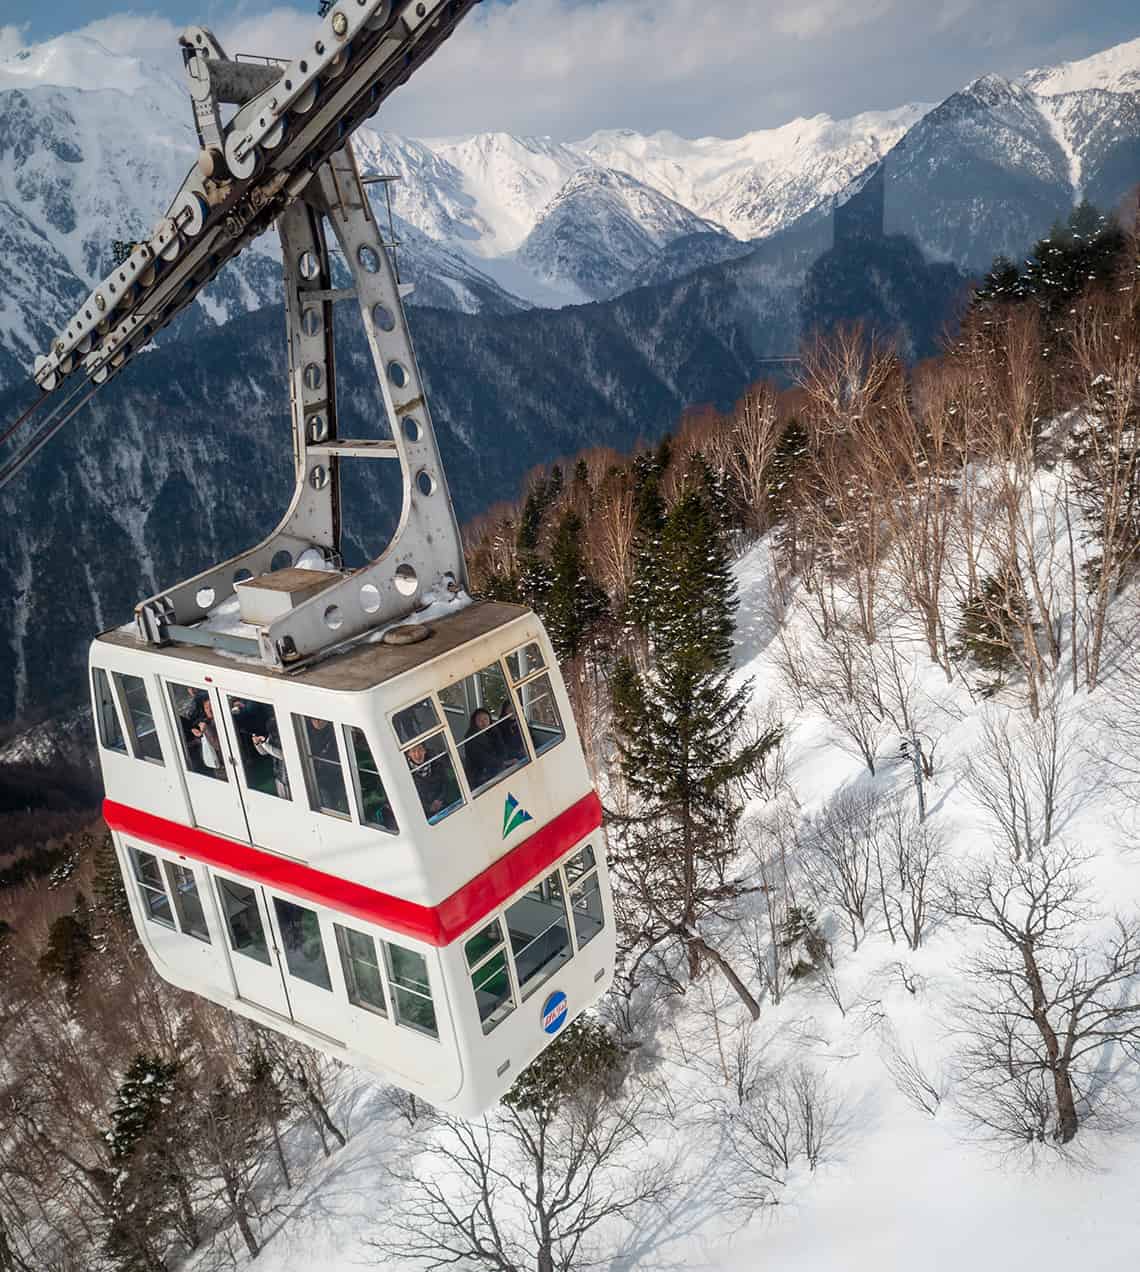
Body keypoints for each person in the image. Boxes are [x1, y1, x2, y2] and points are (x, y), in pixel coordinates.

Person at [406, 740, 449, 818]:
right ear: (408, 754)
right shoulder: (405, 772)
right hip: (423, 814)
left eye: (420, 749)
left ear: (425, 750)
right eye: (413, 751)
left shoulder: (436, 762)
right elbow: (409, 797)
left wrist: (440, 799)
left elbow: (445, 782)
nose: (417, 754)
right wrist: (428, 807)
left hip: (443, 805)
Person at [251, 716, 290, 799]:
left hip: (289, 776)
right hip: (279, 776)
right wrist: (258, 743)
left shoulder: (287, 737)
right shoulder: (271, 736)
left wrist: (264, 744)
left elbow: (282, 755)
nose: (273, 733)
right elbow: (263, 752)